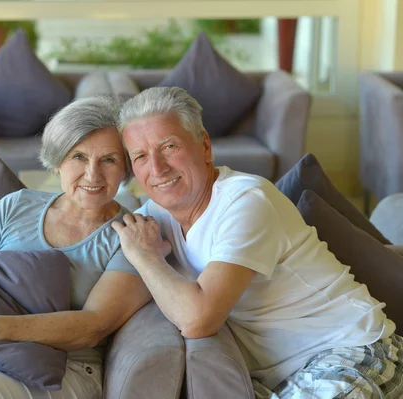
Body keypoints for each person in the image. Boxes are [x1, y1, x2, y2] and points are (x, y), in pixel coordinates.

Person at [111, 86, 403, 399]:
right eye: (140, 156)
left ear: (205, 146)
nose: (157, 168)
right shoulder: (154, 216)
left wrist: (146, 258)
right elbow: (97, 250)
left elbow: (198, 320)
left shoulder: (246, 201)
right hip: (280, 378)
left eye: (169, 147)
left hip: (352, 351)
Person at [0, 96, 153, 398]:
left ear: (125, 167)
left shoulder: (130, 235)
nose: (93, 175)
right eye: (79, 157)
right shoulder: (14, 206)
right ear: (58, 162)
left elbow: (93, 327)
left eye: (109, 160)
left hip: (67, 373)